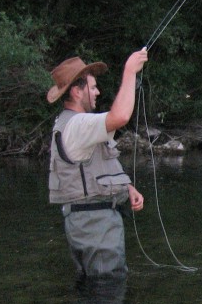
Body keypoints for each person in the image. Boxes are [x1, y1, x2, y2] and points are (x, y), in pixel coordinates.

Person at [47, 48, 149, 281]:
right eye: (92, 87)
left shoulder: (76, 125)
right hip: (95, 227)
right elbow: (120, 115)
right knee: (106, 291)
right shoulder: (78, 124)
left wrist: (127, 188)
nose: (97, 92)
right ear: (76, 91)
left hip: (90, 223)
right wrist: (130, 70)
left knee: (95, 290)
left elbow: (93, 166)